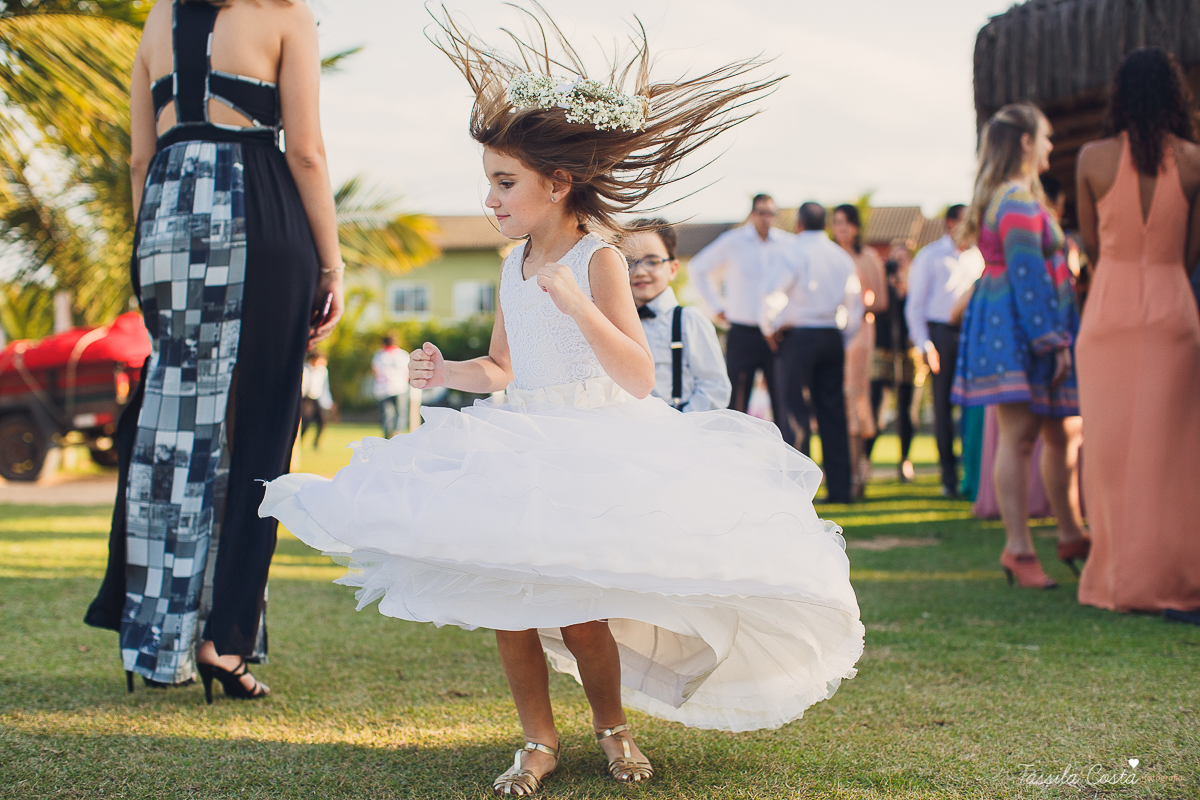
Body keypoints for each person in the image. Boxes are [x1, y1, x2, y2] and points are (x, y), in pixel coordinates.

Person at [259, 10, 863, 795]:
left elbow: (638, 376)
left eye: (505, 183)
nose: (491, 197)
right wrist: (448, 372)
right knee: (509, 603)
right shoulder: (512, 266)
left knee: (582, 613)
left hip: (595, 443)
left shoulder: (598, 258)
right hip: (522, 442)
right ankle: (537, 740)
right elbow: (505, 368)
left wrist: (578, 305)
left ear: (557, 182)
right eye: (489, 183)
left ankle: (611, 728)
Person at [85, 0, 343, 699]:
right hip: (258, 207)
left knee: (172, 427)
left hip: (166, 217)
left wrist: (154, 247)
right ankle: (224, 641)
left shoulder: (159, 18)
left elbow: (140, 156)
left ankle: (155, 637)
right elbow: (308, 152)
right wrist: (333, 264)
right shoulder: (284, 16)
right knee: (258, 429)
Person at [1074, 47, 1200, 617]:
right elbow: (1194, 251)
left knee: (1108, 450)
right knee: (1173, 453)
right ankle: (1171, 575)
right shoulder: (1196, 162)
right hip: (1173, 305)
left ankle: (1116, 577)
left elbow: (1093, 247)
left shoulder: (1092, 159)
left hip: (1109, 312)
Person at [951, 102, 1087, 589]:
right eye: (1045, 137)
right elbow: (1028, 277)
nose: (1051, 146)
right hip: (1022, 324)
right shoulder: (1018, 202)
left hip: (1014, 319)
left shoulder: (1011, 198)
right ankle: (1019, 548)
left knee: (1060, 432)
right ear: (1026, 142)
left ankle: (1070, 532)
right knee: (1021, 435)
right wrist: (1053, 341)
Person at [761, 202, 863, 503]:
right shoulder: (841, 257)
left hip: (799, 335)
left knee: (794, 412)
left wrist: (768, 328)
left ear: (799, 224)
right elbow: (855, 305)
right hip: (831, 334)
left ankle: (799, 490)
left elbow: (772, 293)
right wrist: (843, 336)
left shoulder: (793, 251)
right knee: (833, 414)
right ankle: (841, 489)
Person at [687, 194, 794, 436]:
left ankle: (788, 464)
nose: (766, 218)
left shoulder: (788, 245)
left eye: (771, 213)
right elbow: (698, 268)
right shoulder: (732, 242)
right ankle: (733, 457)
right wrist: (716, 307)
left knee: (783, 399)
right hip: (743, 332)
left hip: (777, 335)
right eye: (761, 212)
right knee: (736, 400)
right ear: (752, 214)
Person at [905, 205, 983, 495]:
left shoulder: (978, 257)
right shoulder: (930, 256)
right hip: (940, 334)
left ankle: (973, 474)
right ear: (951, 224)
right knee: (942, 407)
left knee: (975, 406)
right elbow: (914, 307)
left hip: (974, 335)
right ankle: (948, 477)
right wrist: (925, 345)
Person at [625, 219, 731, 411]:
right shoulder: (615, 323)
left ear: (673, 269)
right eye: (629, 262)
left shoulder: (689, 321)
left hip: (679, 429)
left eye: (652, 262)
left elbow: (715, 387)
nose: (639, 271)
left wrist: (682, 421)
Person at [831, 204, 886, 497]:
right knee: (833, 398)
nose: (841, 228)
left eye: (846, 222)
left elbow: (881, 301)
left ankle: (856, 472)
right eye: (836, 222)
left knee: (855, 396)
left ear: (856, 227)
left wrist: (857, 304)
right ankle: (838, 470)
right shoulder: (829, 256)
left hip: (860, 332)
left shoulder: (868, 258)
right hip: (831, 333)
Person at [866, 241, 916, 481]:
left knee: (906, 410)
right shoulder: (883, 288)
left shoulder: (914, 286)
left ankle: (905, 459)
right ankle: (866, 459)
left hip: (907, 352)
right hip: (883, 350)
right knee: (874, 406)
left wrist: (905, 289)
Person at [372, 334, 410, 438]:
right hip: (400, 387)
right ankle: (398, 434)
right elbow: (408, 372)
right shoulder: (403, 354)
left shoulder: (379, 355)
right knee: (401, 413)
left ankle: (387, 435)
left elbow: (375, 371)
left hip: (383, 389)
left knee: (387, 415)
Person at [300, 352, 333, 449]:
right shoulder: (304, 369)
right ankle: (299, 442)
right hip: (305, 399)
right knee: (305, 422)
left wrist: (328, 402)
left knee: (322, 420)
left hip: (316, 399)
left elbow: (325, 388)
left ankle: (316, 443)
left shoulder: (322, 371)